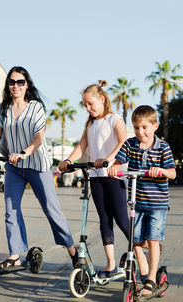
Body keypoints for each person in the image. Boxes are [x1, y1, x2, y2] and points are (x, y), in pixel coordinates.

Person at [0, 66, 78, 268]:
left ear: (27, 85)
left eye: (20, 82)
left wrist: (24, 152)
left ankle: (73, 250)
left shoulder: (35, 107)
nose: (16, 86)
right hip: (14, 168)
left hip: (37, 165)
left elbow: (39, 137)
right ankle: (15, 255)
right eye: (12, 82)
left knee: (52, 211)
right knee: (11, 210)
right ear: (8, 85)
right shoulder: (3, 108)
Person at [59, 80, 129, 277]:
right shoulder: (89, 124)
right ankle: (111, 264)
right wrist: (67, 161)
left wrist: (109, 158)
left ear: (102, 99)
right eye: (85, 105)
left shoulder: (115, 119)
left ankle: (142, 252)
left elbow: (124, 141)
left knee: (122, 220)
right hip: (96, 176)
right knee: (104, 219)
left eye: (91, 104)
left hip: (114, 175)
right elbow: (82, 146)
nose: (88, 108)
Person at [108, 105, 176, 297]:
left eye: (145, 127)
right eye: (137, 127)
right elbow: (119, 161)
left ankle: (151, 278)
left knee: (152, 240)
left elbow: (172, 173)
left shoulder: (163, 147)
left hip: (157, 204)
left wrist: (160, 171)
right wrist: (116, 167)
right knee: (136, 240)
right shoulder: (130, 144)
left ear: (155, 126)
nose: (140, 132)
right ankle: (146, 270)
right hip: (136, 203)